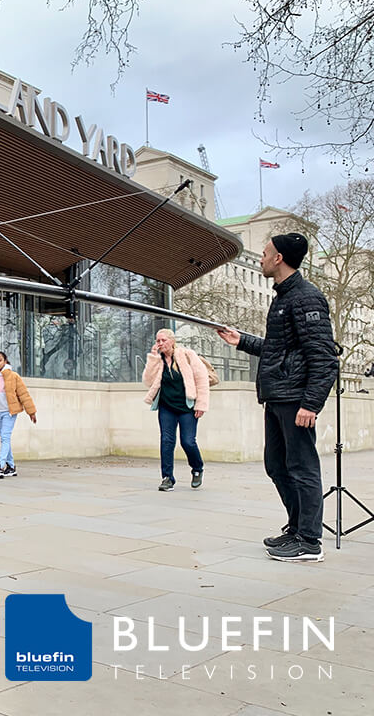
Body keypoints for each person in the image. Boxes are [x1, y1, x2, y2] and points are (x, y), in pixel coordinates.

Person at [217, 232, 338, 563]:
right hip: (277, 395)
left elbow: (325, 358)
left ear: (278, 258)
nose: (260, 258)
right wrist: (240, 340)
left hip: (294, 398)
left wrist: (311, 403)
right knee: (276, 465)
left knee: (302, 467)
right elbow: (278, 349)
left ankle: (310, 541)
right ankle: (297, 529)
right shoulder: (284, 297)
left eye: (265, 252)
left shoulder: (305, 298)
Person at [142, 328, 210, 491]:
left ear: (172, 341)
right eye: (158, 341)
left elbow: (201, 380)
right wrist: (152, 359)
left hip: (187, 406)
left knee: (188, 441)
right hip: (167, 407)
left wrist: (201, 404)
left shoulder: (187, 355)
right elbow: (148, 381)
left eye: (163, 340)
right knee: (166, 441)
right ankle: (167, 478)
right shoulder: (158, 360)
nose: (160, 344)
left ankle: (197, 468)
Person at [0, 350, 37, 478]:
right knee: (4, 438)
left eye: (0, 360)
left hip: (10, 412)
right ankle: (11, 467)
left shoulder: (13, 376)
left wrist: (31, 411)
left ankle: (0, 465)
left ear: (5, 362)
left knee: (5, 437)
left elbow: (23, 394)